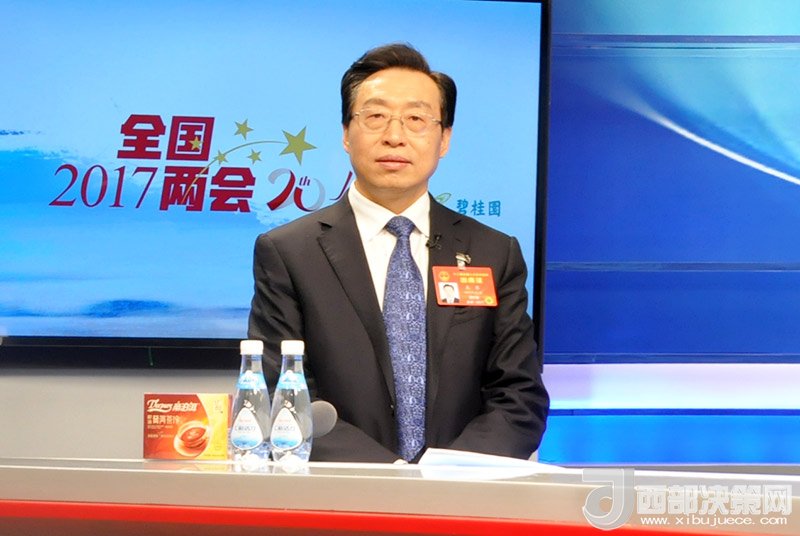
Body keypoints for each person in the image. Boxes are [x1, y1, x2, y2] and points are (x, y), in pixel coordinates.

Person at [248, 43, 549, 462]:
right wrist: (392, 476)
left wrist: (446, 475)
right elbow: (281, 395)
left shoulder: (493, 253)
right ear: (346, 134)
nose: (394, 135)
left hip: (462, 491)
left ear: (444, 139)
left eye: (416, 119)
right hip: (342, 490)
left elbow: (519, 395)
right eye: (375, 117)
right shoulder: (289, 252)